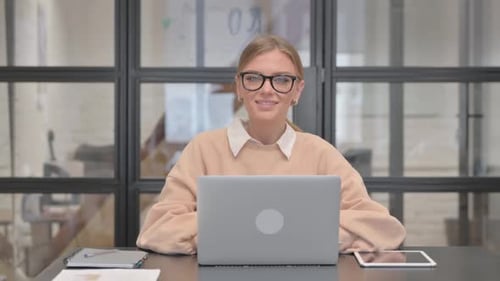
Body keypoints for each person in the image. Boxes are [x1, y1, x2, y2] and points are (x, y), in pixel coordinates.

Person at [136, 34, 406, 255]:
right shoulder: (204, 149)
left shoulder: (319, 152)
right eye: (254, 78)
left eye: (281, 80)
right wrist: (301, 236)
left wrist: (226, 235)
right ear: (239, 87)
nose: (267, 90)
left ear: (297, 91)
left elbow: (385, 229)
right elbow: (157, 231)